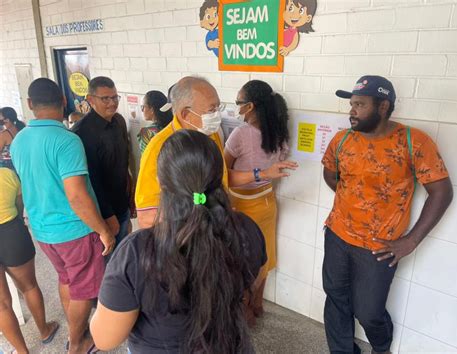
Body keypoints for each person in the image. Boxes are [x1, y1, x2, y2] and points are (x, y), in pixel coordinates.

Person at [90, 130, 267, 353]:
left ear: (160, 182)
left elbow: (105, 340)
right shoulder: (247, 229)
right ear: (219, 177)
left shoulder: (137, 251)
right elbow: (253, 280)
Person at [321, 75, 453, 354]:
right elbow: (331, 175)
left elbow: (441, 193)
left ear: (383, 107)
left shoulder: (413, 141)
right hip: (337, 234)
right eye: (351, 104)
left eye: (359, 104)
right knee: (336, 299)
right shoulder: (342, 139)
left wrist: (411, 241)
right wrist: (354, 200)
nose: (351, 111)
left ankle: (381, 348)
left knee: (368, 312)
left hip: (379, 248)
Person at [11, 78, 115, 354]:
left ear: (31, 104)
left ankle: (74, 333)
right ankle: (77, 343)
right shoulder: (67, 141)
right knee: (83, 288)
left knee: (66, 279)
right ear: (64, 101)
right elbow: (77, 196)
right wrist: (103, 231)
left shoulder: (19, 140)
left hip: (43, 231)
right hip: (73, 231)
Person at [135, 76, 297, 229]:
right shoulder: (159, 148)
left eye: (218, 108)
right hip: (182, 241)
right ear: (186, 114)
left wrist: (262, 174)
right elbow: (146, 217)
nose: (217, 115)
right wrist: (205, 213)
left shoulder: (210, 135)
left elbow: (223, 177)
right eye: (211, 110)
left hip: (215, 234)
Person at [224, 80, 294, 321]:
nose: (236, 108)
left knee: (241, 258)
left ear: (250, 106)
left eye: (238, 103)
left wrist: (257, 174)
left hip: (242, 205)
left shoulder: (241, 133)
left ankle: (244, 311)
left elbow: (224, 176)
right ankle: (257, 304)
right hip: (267, 202)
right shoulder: (279, 131)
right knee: (263, 254)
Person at [0, 167, 59, 353]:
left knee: (1, 304)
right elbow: (19, 205)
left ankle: (22, 351)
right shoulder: (6, 174)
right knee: (29, 286)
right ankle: (44, 331)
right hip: (11, 233)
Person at [72, 76, 131, 251]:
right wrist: (108, 216)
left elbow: (123, 162)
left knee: (123, 256)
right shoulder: (82, 133)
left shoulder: (119, 121)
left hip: (122, 203)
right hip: (103, 212)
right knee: (107, 261)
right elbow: (92, 180)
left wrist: (129, 196)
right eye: (105, 98)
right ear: (90, 100)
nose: (112, 103)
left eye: (115, 97)